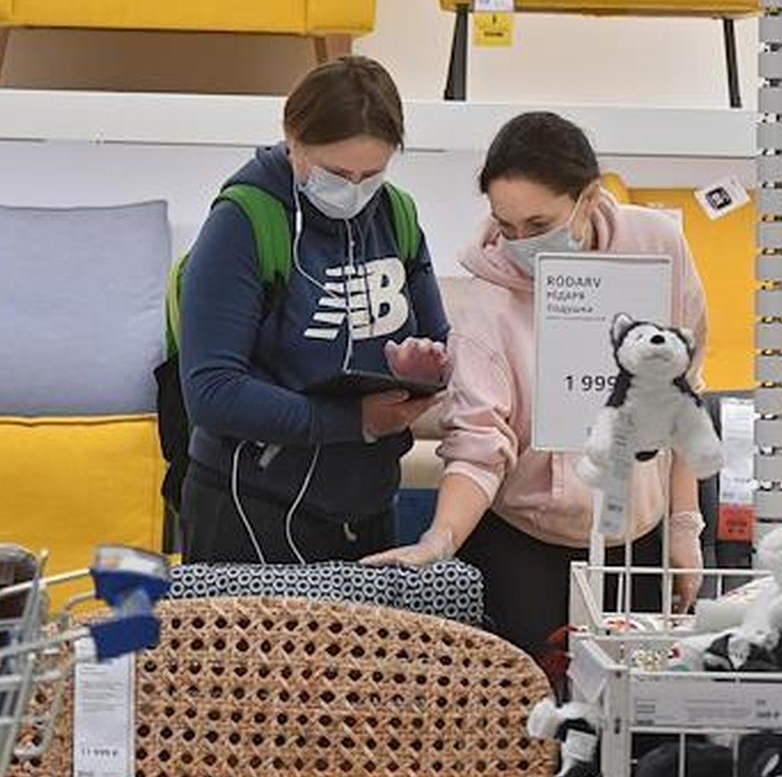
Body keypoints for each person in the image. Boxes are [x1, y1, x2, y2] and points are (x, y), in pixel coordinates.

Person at [364, 111, 709, 659]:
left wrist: (684, 527)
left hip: (638, 535)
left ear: (588, 197)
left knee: (639, 694)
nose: (520, 242)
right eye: (506, 226)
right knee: (531, 697)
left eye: (538, 223)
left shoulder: (658, 247)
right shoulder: (486, 303)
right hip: (524, 541)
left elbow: (681, 391)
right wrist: (440, 538)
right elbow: (478, 442)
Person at [178, 56, 448, 565]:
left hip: (366, 510)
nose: (354, 190)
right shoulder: (243, 222)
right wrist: (355, 420)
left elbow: (441, 339)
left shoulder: (396, 215)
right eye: (336, 173)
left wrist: (425, 369)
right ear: (293, 140)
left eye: (372, 174)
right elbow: (211, 390)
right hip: (249, 509)